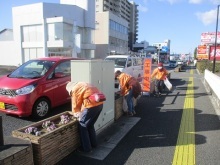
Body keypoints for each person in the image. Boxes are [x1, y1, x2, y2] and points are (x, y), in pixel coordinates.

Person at [66, 81, 104, 153]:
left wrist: (76, 114)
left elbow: (76, 105)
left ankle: (87, 149)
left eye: (70, 93)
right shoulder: (83, 84)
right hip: (100, 104)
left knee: (82, 126)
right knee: (90, 125)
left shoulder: (75, 89)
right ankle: (94, 144)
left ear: (70, 89)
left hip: (91, 106)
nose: (71, 94)